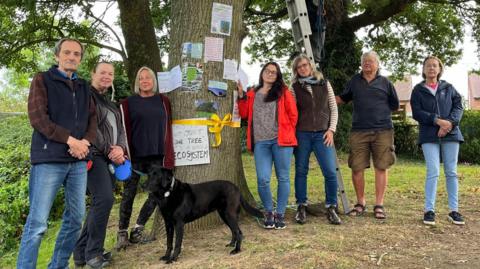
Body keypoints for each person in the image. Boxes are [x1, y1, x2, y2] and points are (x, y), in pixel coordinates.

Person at [17, 38, 97, 269]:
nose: (72, 57)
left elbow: (93, 119)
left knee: (75, 220)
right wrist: (70, 140)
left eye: (76, 54)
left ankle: (58, 266)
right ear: (57, 56)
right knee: (38, 224)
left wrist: (85, 142)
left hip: (78, 162)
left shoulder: (84, 87)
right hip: (49, 160)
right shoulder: (43, 80)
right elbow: (38, 118)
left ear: (80, 59)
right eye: (67, 52)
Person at [73, 62, 127, 268]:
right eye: (102, 72)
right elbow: (91, 128)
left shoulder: (112, 104)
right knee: (104, 199)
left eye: (110, 73)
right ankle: (93, 253)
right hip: (93, 155)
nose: (106, 76)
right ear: (93, 73)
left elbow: (120, 130)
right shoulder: (85, 96)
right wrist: (110, 151)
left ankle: (80, 253)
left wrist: (120, 149)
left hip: (111, 158)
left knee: (100, 202)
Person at [116, 66, 175, 249]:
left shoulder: (163, 101)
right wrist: (123, 153)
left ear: (153, 80)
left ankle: (138, 229)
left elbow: (168, 128)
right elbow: (122, 130)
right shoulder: (128, 103)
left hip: (157, 156)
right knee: (129, 194)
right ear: (137, 82)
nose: (145, 81)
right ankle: (122, 232)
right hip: (134, 157)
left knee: (156, 194)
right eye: (141, 78)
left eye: (148, 77)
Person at [336, 51, 399, 219]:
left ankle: (379, 204)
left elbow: (395, 105)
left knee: (381, 166)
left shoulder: (385, 82)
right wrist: (322, 96)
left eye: (371, 61)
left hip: (383, 130)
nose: (367, 64)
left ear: (377, 65)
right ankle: (360, 202)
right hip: (359, 131)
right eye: (364, 61)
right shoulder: (354, 81)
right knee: (356, 167)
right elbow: (342, 99)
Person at [237, 62, 298, 229]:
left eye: (274, 72)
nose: (270, 74)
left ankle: (280, 213)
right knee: (263, 179)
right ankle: (269, 212)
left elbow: (293, 115)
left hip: (281, 142)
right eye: (267, 71)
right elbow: (243, 114)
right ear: (262, 72)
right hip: (261, 143)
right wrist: (241, 95)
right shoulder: (252, 93)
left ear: (278, 75)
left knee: (283, 177)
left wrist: (285, 131)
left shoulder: (283, 92)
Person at [410, 56, 465, 226]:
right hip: (428, 134)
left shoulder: (449, 88)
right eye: (428, 66)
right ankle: (429, 210)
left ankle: (453, 211)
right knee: (433, 171)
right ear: (424, 69)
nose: (432, 68)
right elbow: (417, 113)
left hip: (451, 133)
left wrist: (449, 123)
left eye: (435, 66)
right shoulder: (418, 90)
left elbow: (458, 107)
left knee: (451, 172)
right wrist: (437, 121)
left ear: (439, 69)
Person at [291, 54, 341, 225]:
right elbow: (291, 112)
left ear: (311, 66)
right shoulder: (294, 87)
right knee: (301, 171)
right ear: (296, 71)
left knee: (330, 171)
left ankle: (331, 206)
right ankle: (301, 206)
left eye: (305, 65)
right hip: (302, 134)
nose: (303, 68)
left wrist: (331, 130)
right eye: (299, 67)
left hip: (322, 134)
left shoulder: (324, 83)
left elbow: (333, 109)